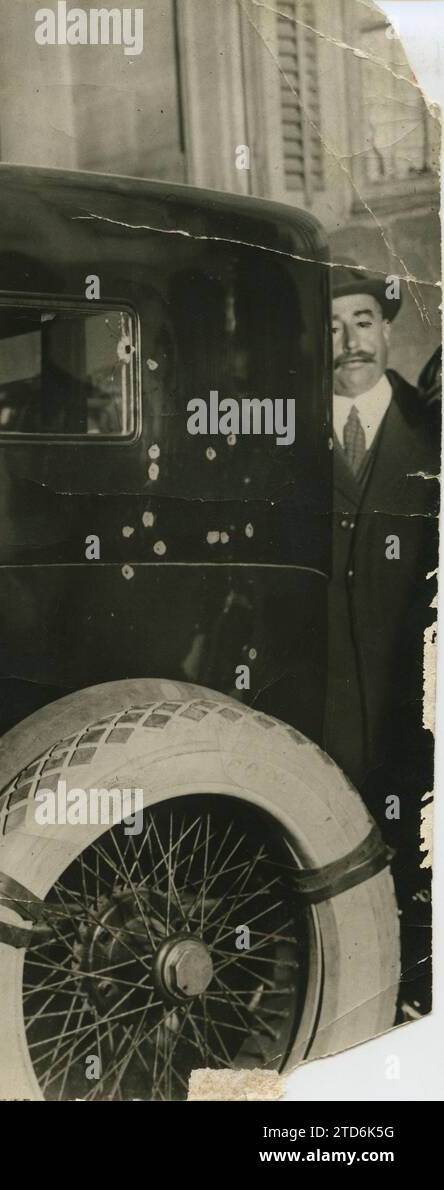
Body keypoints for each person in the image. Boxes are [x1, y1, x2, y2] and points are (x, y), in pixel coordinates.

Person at [323, 260, 439, 1018]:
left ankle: (424, 1001)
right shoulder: (286, 441)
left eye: (363, 321)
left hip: (416, 692)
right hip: (323, 695)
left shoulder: (436, 433)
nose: (349, 341)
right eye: (331, 327)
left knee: (423, 855)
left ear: (388, 329)